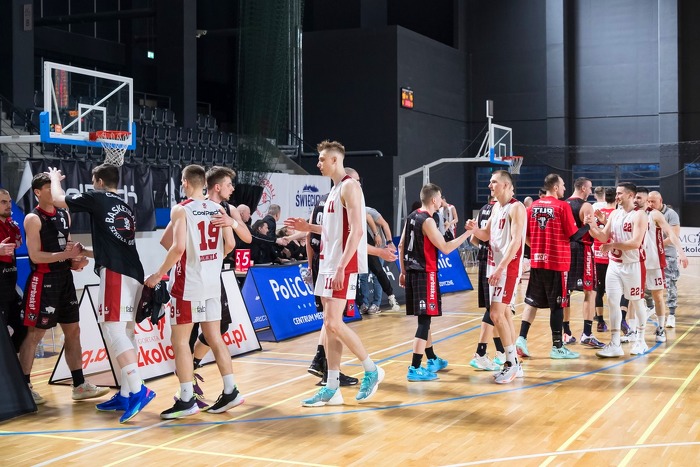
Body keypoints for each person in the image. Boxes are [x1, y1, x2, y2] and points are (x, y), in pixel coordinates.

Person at [48, 164, 152, 423]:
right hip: (133, 272)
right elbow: (115, 245)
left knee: (114, 330)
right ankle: (126, 394)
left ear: (99, 181)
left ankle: (138, 390)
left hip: (116, 274)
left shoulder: (97, 197)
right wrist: (87, 252)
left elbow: (58, 199)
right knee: (127, 332)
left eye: (93, 180)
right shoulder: (125, 204)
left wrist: (54, 178)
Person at [285, 140, 384, 407]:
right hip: (328, 262)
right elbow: (333, 231)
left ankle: (372, 369)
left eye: (322, 159)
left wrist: (341, 266)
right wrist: (308, 227)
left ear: (335, 160)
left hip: (341, 264)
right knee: (329, 326)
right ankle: (332, 387)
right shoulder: (333, 190)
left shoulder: (350, 186)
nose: (318, 163)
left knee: (333, 323)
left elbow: (358, 231)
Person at [145, 164, 245, 419]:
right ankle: (231, 390)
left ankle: (187, 398)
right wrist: (211, 260)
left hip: (188, 284)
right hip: (212, 284)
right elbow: (231, 243)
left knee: (179, 341)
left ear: (186, 183)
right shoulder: (218, 209)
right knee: (215, 337)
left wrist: (158, 274)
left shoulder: (182, 209)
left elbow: (176, 247)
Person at [19, 174, 108, 405]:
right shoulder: (33, 218)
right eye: (49, 188)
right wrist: (64, 255)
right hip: (43, 280)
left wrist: (74, 261)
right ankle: (24, 387)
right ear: (38, 192)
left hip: (65, 279)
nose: (54, 191)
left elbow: (67, 246)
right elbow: (35, 256)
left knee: (73, 331)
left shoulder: (63, 213)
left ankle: (79, 385)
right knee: (35, 335)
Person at [187, 167, 252, 405]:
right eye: (229, 185)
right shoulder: (199, 206)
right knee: (197, 329)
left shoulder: (228, 209)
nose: (232, 189)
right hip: (198, 275)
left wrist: (232, 223)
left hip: (211, 275)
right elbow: (229, 244)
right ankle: (188, 383)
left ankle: (192, 367)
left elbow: (247, 238)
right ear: (217, 186)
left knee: (218, 327)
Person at [398, 184, 468, 381]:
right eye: (440, 198)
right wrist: (468, 234)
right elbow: (445, 248)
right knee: (424, 321)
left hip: (412, 272)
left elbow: (401, 245)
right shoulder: (427, 221)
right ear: (434, 200)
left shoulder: (411, 217)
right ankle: (414, 368)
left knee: (424, 318)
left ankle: (432, 359)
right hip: (425, 273)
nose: (441, 201)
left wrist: (402, 271)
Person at [467, 170, 526, 383]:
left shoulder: (516, 207)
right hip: (495, 267)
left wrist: (501, 268)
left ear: (506, 185)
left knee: (496, 314)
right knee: (502, 315)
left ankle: (511, 363)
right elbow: (486, 235)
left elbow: (516, 241)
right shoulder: (496, 208)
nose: (490, 185)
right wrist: (474, 229)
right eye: (490, 182)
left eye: (494, 182)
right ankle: (514, 363)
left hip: (507, 268)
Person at [516, 174, 580, 359]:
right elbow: (574, 235)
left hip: (537, 262)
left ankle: (521, 339)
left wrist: (537, 248)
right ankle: (557, 347)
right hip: (557, 263)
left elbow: (525, 236)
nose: (565, 188)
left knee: (532, 301)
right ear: (555, 187)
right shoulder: (562, 206)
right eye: (563, 185)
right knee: (558, 305)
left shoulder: (533, 207)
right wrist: (589, 226)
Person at [586, 182, 647, 357]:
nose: (616, 196)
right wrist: (591, 225)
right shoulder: (614, 214)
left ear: (630, 195)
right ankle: (615, 343)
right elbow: (603, 236)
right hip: (614, 264)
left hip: (633, 265)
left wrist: (613, 245)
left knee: (636, 301)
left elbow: (635, 243)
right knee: (612, 302)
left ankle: (640, 340)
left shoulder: (639, 215)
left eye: (620, 193)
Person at [633, 188, 688, 343]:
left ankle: (661, 327)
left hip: (654, 261)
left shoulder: (655, 214)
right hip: (637, 261)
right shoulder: (633, 214)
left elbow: (672, 233)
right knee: (635, 297)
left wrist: (681, 252)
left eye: (640, 198)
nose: (637, 200)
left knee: (658, 295)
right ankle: (634, 330)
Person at [562, 177, 604, 349]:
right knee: (590, 291)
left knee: (565, 292)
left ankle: (566, 333)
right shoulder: (586, 206)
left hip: (565, 250)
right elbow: (593, 233)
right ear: (583, 188)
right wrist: (604, 231)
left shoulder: (564, 204)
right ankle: (587, 333)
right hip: (581, 249)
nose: (591, 191)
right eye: (590, 188)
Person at [468, 195, 506, 371]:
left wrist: (484, 248)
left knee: (495, 309)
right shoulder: (501, 210)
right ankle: (480, 353)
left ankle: (501, 352)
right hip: (495, 263)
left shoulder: (483, 210)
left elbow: (473, 239)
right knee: (494, 308)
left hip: (483, 260)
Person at [647, 191, 682, 328]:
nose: (650, 204)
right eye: (649, 201)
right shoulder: (647, 213)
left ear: (660, 200)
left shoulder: (671, 214)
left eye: (653, 201)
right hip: (652, 256)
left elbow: (674, 235)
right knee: (647, 285)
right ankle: (650, 308)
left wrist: (657, 244)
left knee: (670, 285)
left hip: (667, 255)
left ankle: (671, 315)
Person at [0, 189, 26, 353]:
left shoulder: (12, 225)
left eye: (9, 201)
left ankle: (16, 367)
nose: (8, 205)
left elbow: (18, 244)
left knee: (22, 329)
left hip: (11, 285)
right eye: (3, 202)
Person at [592, 188, 616, 332]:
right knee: (617, 292)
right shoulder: (617, 214)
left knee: (599, 291)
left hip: (597, 254)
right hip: (613, 257)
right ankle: (619, 321)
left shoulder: (596, 211)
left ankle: (600, 321)